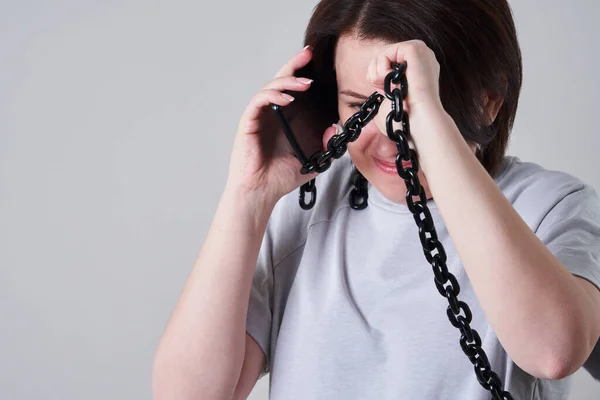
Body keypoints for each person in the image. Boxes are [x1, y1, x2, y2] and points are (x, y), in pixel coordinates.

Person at [152, 1, 600, 399]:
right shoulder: (306, 207)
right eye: (358, 106)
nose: (389, 140)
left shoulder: (551, 206)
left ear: (488, 103)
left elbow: (553, 352)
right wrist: (247, 197)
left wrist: (427, 114)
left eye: (405, 106)